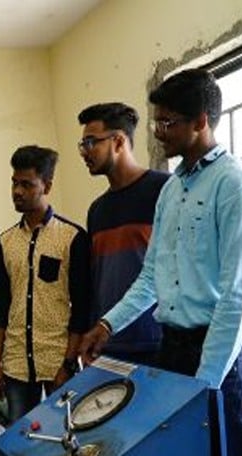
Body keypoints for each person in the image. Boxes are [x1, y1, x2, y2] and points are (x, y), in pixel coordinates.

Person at [79, 68, 242, 456]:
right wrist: (107, 325)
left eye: (169, 122)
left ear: (202, 122)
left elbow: (236, 296)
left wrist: (205, 382)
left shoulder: (233, 185)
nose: (159, 133)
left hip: (218, 356)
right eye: (157, 122)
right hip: (171, 348)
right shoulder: (171, 190)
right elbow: (151, 276)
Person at [0, 145, 90, 423]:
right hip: (16, 366)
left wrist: (68, 365)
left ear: (46, 185)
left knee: (64, 440)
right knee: (21, 442)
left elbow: (81, 311)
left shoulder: (72, 238)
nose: (17, 191)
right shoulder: (6, 242)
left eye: (26, 184)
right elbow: (1, 309)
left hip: (57, 362)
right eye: (14, 183)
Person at [78, 102, 169, 366]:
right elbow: (97, 281)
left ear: (118, 141)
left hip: (156, 341)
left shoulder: (164, 191)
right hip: (108, 342)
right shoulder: (97, 210)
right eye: (82, 144)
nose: (84, 152)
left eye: (91, 142)